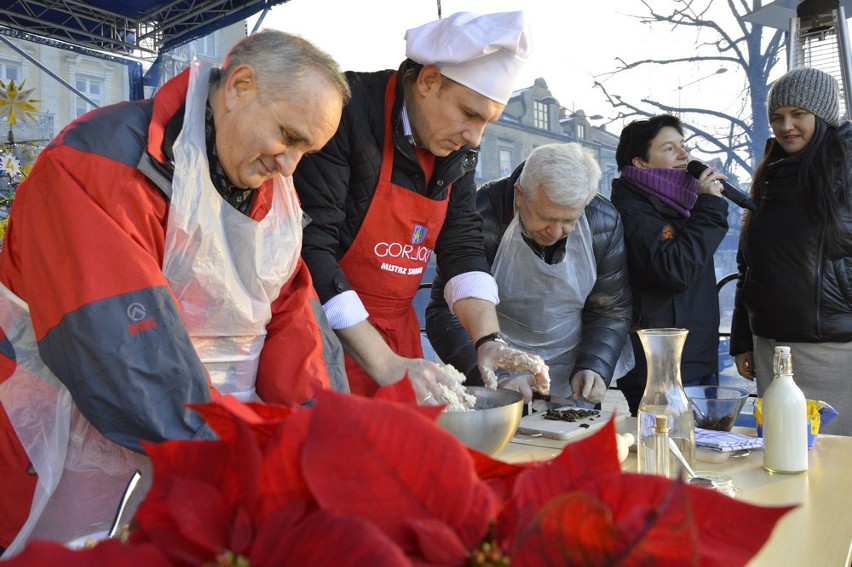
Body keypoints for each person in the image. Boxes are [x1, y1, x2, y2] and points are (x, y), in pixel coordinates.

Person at [0, 30, 351, 553]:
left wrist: (321, 438)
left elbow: (291, 314)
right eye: (288, 136)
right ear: (239, 86)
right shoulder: (94, 164)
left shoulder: (265, 185)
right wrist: (247, 467)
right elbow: (125, 355)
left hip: (201, 448)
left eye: (308, 150)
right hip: (64, 441)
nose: (290, 166)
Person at [292, 11, 550, 404]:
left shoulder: (458, 146)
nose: (474, 137)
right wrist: (384, 362)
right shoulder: (346, 110)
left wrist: (488, 340)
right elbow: (310, 248)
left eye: (488, 124)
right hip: (322, 335)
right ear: (429, 80)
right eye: (469, 113)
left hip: (399, 336)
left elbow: (461, 243)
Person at [425, 143, 634, 405]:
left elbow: (610, 310)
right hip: (493, 364)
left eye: (570, 220)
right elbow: (444, 313)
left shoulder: (604, 222)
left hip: (572, 370)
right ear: (520, 195)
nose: (556, 232)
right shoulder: (480, 214)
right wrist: (493, 375)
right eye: (546, 218)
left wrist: (594, 365)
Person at [731, 67, 852, 436]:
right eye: (777, 117)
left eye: (798, 114)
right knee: (781, 455)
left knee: (834, 463)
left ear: (823, 115)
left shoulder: (845, 171)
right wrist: (742, 339)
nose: (786, 126)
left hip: (833, 351)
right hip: (771, 346)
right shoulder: (770, 174)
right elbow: (749, 266)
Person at [610, 114, 729, 416]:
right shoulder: (633, 212)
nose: (684, 155)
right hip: (661, 369)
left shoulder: (679, 207)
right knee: (668, 455)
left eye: (683, 146)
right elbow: (675, 270)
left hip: (693, 358)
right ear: (640, 163)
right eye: (669, 148)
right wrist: (710, 208)